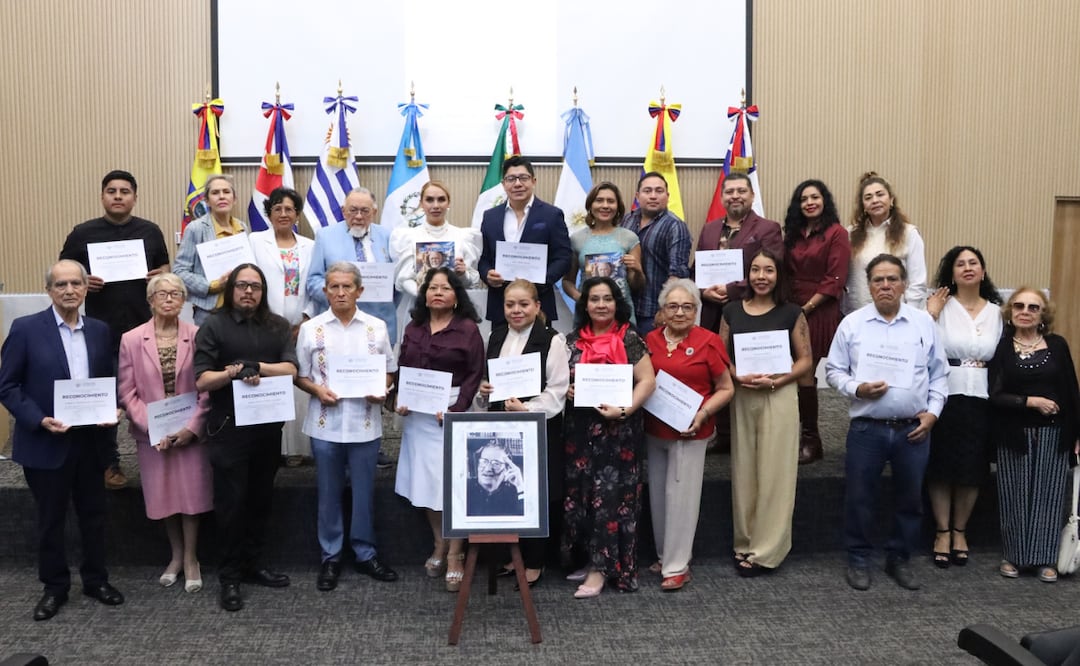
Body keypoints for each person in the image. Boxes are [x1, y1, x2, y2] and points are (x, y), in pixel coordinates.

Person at [0, 260, 124, 621]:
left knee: (95, 516)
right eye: (61, 285)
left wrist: (113, 408)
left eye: (76, 283)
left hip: (91, 443)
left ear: (86, 288)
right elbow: (7, 385)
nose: (69, 290)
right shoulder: (25, 329)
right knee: (50, 519)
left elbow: (108, 380)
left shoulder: (100, 330)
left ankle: (96, 580)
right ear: (49, 291)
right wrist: (38, 419)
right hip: (46, 442)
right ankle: (54, 588)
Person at [826, 254, 948, 591]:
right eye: (878, 280)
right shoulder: (852, 324)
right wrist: (857, 388)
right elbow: (834, 371)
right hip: (868, 429)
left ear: (904, 285)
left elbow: (939, 376)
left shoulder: (924, 324)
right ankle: (858, 557)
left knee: (910, 499)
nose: (885, 285)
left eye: (892, 279)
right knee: (860, 497)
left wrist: (933, 413)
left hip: (913, 429)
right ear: (869, 286)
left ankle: (900, 557)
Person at [194, 263, 299, 612]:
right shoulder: (214, 325)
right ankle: (230, 576)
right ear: (231, 290)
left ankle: (253, 565)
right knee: (230, 505)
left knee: (260, 500)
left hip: (267, 429)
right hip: (228, 429)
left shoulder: (278, 325)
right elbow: (202, 380)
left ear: (263, 291)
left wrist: (257, 367)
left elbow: (290, 369)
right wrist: (233, 372)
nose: (248, 292)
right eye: (242, 286)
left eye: (255, 286)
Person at [60, 169, 170, 490]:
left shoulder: (150, 231)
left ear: (135, 197)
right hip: (100, 332)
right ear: (103, 196)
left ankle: (162, 455)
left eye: (125, 191)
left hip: (145, 330)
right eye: (112, 191)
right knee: (105, 401)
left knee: (155, 394)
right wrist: (84, 279)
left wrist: (158, 276)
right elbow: (64, 270)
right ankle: (109, 463)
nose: (118, 196)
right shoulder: (83, 233)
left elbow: (164, 267)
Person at [295, 262, 399, 592]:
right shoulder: (311, 330)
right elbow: (301, 374)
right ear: (325, 291)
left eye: (347, 287)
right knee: (328, 494)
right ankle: (331, 556)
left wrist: (381, 389)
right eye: (334, 287)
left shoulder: (377, 327)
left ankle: (366, 553)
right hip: (326, 424)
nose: (340, 292)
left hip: (365, 424)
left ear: (360, 291)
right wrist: (316, 390)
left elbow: (389, 370)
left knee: (364, 494)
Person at [117, 273, 212, 593]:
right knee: (164, 496)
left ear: (185, 300)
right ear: (150, 300)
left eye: (176, 293)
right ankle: (174, 555)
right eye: (162, 294)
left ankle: (191, 558)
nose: (169, 298)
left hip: (190, 433)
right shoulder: (131, 339)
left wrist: (191, 429)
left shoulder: (199, 335)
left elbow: (207, 390)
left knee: (191, 496)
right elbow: (127, 391)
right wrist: (152, 426)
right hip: (152, 435)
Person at [719, 252, 812, 576]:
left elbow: (805, 361)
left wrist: (780, 379)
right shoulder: (730, 311)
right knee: (745, 470)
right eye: (756, 269)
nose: (761, 276)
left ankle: (767, 550)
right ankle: (744, 542)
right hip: (743, 396)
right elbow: (722, 356)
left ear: (778, 275)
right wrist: (735, 376)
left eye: (769, 270)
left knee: (775, 472)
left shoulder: (791, 312)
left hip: (779, 395)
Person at [563, 276, 657, 598]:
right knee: (584, 497)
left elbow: (647, 381)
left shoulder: (630, 337)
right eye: (594, 299)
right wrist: (567, 389)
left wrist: (623, 410)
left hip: (619, 432)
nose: (601, 305)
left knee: (611, 501)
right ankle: (589, 558)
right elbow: (558, 381)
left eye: (607, 299)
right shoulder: (571, 341)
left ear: (618, 304)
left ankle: (602, 570)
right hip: (580, 432)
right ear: (584, 304)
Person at [394, 267, 485, 592]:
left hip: (452, 411)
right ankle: (439, 543)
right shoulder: (414, 327)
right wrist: (400, 398)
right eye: (432, 288)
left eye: (445, 288)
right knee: (426, 483)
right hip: (418, 414)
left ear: (456, 294)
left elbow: (475, 373)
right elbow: (404, 366)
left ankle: (457, 552)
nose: (438, 293)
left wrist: (457, 410)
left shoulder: (467, 329)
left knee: (453, 484)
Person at [475, 279, 569, 587]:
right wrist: (484, 390)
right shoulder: (496, 334)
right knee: (505, 490)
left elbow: (557, 391)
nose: (516, 311)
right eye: (510, 305)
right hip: (502, 430)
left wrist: (526, 409)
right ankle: (507, 555)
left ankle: (535, 561)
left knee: (535, 492)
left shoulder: (552, 339)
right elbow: (486, 386)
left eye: (523, 304)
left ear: (537, 306)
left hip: (538, 428)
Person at [644, 279, 734, 590]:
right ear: (662, 311)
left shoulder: (709, 341)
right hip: (654, 431)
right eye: (673, 306)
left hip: (690, 432)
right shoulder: (650, 340)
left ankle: (678, 565)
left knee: (681, 498)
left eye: (687, 307)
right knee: (658, 497)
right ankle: (663, 554)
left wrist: (704, 414)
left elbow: (726, 388)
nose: (680, 312)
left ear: (696, 310)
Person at [989, 287, 1080, 583]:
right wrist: (1030, 402)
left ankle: (1044, 559)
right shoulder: (1003, 348)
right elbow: (994, 394)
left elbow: (1072, 392)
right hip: (1014, 433)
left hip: (1054, 434)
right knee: (1014, 496)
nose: (1025, 311)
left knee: (1049, 496)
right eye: (1019, 306)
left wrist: (1078, 432)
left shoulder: (1057, 345)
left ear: (1043, 315)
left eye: (1033, 307)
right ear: (1010, 312)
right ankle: (1014, 556)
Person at [923, 247, 1003, 569]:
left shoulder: (997, 312)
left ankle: (960, 531)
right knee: (942, 466)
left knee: (972, 469)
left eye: (974, 263)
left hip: (983, 397)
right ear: (951, 272)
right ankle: (942, 531)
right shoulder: (939, 306)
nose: (967, 268)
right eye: (960, 264)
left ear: (983, 272)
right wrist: (929, 313)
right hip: (946, 393)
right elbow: (921, 344)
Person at [782, 179, 851, 464]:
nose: (809, 202)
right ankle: (788, 436)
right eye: (804, 198)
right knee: (787, 371)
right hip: (789, 307)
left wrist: (806, 309)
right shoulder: (793, 234)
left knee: (805, 371)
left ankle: (812, 439)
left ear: (825, 201)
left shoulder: (837, 233)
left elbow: (835, 278)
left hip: (819, 308)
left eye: (815, 197)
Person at [249, 187, 315, 468]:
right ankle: (268, 446)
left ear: (297, 214)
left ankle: (297, 448)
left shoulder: (310, 246)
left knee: (299, 381)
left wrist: (306, 318)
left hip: (300, 325)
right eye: (278, 208)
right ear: (269, 213)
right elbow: (249, 279)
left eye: (289, 209)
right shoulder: (254, 241)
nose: (284, 214)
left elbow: (314, 284)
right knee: (269, 380)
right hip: (264, 323)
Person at [478, 156, 572, 326]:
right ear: (503, 184)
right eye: (511, 179)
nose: (518, 184)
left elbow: (564, 257)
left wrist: (541, 280)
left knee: (537, 352)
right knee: (503, 352)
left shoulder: (552, 215)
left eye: (523, 178)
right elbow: (483, 258)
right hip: (501, 304)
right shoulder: (490, 217)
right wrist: (487, 275)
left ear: (533, 181)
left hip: (539, 302)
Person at [696, 172, 784, 333]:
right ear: (722, 198)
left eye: (741, 191)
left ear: (752, 195)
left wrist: (730, 290)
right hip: (711, 315)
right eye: (729, 192)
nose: (735, 196)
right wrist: (703, 292)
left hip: (750, 311)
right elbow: (696, 271)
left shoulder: (768, 228)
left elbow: (774, 270)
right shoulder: (709, 228)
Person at [390, 180, 482, 332]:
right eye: (429, 200)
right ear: (421, 203)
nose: (436, 205)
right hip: (416, 310)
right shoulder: (407, 237)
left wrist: (463, 273)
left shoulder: (463, 237)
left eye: (441, 199)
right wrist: (428, 297)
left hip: (455, 312)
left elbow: (470, 282)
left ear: (448, 203)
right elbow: (402, 279)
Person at [307, 188, 397, 341]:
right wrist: (336, 294)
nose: (359, 216)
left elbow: (396, 282)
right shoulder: (325, 236)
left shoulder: (388, 236)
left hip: (380, 324)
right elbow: (313, 280)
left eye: (365, 211)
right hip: (337, 321)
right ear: (343, 211)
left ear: (374, 212)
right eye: (353, 210)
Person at [562, 182, 644, 326]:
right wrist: (581, 298)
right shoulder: (576, 239)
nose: (605, 205)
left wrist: (637, 270)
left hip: (621, 315)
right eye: (599, 200)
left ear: (618, 206)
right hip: (587, 315)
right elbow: (568, 281)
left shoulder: (630, 238)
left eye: (611, 201)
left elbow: (636, 285)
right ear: (590, 205)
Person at [843, 172, 927, 313]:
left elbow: (917, 283)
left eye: (880, 194)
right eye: (868, 197)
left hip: (898, 315)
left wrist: (910, 314)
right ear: (863, 205)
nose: (875, 200)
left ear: (891, 199)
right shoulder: (850, 234)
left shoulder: (909, 233)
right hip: (858, 314)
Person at [621, 172, 692, 335]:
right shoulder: (627, 220)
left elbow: (677, 274)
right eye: (647, 191)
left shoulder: (675, 226)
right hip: (625, 309)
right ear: (637, 196)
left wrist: (665, 309)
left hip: (653, 313)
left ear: (667, 196)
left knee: (652, 359)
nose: (653, 196)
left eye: (659, 191)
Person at [174, 174, 249, 325]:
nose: (221, 196)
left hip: (240, 311)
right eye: (215, 193)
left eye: (226, 192)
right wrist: (212, 286)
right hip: (209, 313)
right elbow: (179, 271)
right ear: (207, 201)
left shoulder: (242, 228)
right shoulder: (196, 229)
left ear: (234, 199)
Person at [466, 440, 525, 517]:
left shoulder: (514, 492)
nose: (488, 469)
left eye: (496, 464)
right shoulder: (465, 488)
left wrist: (520, 486)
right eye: (484, 461)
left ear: (507, 468)